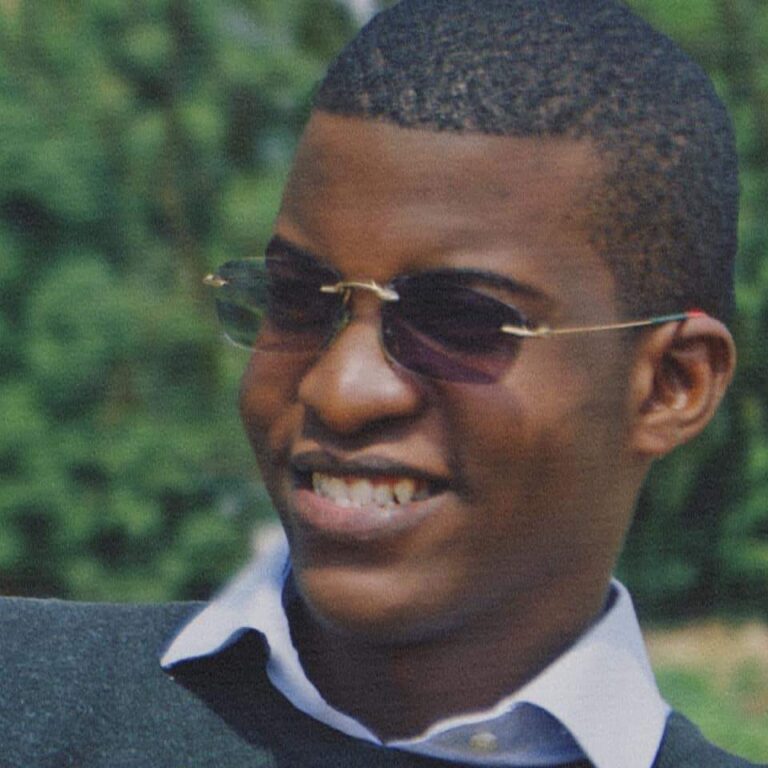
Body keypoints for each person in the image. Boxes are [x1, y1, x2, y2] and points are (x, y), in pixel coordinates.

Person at [1, 1, 763, 766]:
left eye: (459, 319)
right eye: (298, 298)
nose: (341, 390)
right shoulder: (29, 699)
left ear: (671, 384)